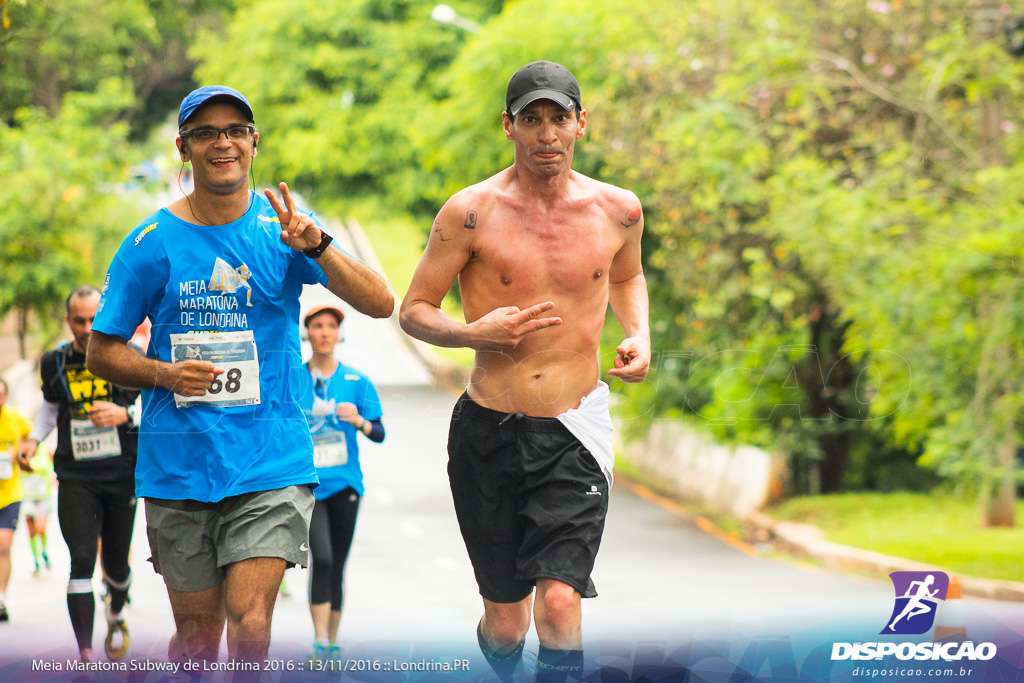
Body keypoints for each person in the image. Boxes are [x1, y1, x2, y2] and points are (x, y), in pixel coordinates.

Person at [85, 85, 394, 667]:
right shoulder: (149, 245)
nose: (222, 142)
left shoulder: (285, 229)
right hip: (179, 465)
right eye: (205, 133)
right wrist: (165, 374)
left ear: (254, 143)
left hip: (271, 460)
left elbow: (381, 303)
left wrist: (320, 246)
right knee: (198, 636)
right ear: (183, 148)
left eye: (235, 131)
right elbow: (102, 351)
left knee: (251, 626)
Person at [399, 60, 650, 681]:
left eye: (558, 119)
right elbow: (413, 311)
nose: (546, 134)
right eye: (531, 120)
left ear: (580, 125)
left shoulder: (618, 211)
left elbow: (627, 275)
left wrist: (638, 334)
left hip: (575, 430)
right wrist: (471, 333)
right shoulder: (470, 213)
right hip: (488, 429)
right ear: (507, 126)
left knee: (561, 604)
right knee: (508, 624)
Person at [15, 286, 139, 662]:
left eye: (93, 320)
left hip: (121, 475)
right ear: (68, 321)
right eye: (79, 321)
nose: (87, 328)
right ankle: (85, 655)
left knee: (117, 564)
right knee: (82, 558)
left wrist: (125, 415)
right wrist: (34, 441)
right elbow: (51, 408)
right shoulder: (53, 362)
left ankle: (117, 606)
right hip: (75, 475)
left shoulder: (130, 356)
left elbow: (159, 407)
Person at [299, 305, 385, 664]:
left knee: (339, 564)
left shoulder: (355, 381)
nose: (324, 332)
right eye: (317, 326)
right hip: (309, 488)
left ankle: (332, 641)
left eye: (331, 326)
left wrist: (360, 421)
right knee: (323, 558)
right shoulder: (294, 378)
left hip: (347, 485)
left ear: (338, 333)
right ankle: (319, 640)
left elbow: (379, 432)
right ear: (307, 333)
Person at [0, 377, 32, 622]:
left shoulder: (16, 419)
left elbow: (31, 441)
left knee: (4, 545)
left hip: (10, 493)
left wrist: (22, 455)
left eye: (1, 395)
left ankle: (0, 598)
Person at [20, 441, 54, 575]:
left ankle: (44, 552)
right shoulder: (21, 450)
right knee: (31, 531)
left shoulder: (45, 449)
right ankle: (35, 561)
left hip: (43, 497)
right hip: (28, 497)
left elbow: (52, 466)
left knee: (41, 528)